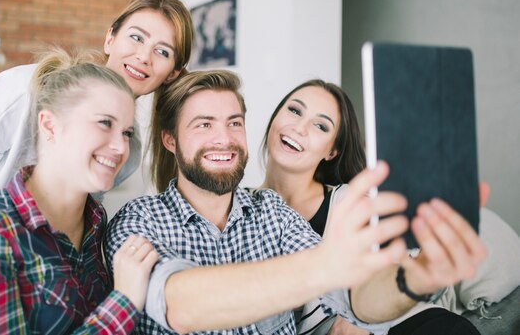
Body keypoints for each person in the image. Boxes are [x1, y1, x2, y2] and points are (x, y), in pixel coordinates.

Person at [106, 69, 431, 334]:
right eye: (204, 125)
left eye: (234, 123)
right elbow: (177, 304)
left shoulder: (273, 212)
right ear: (170, 140)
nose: (224, 139)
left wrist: (416, 277)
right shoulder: (138, 220)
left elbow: (353, 299)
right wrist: (328, 266)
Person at [0, 0, 193, 269]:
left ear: (172, 74)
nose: (143, 56)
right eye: (136, 37)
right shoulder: (22, 92)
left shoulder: (126, 148)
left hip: (29, 255)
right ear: (110, 39)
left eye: (162, 52)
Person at [0, 48, 159, 334]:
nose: (121, 147)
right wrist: (123, 303)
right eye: (104, 123)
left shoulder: (95, 220)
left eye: (126, 133)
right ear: (50, 125)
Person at [258, 79, 486, 334]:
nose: (299, 128)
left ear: (331, 152)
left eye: (320, 125)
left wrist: (353, 318)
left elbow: (397, 268)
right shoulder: (236, 210)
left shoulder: (352, 202)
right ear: (275, 117)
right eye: (295, 110)